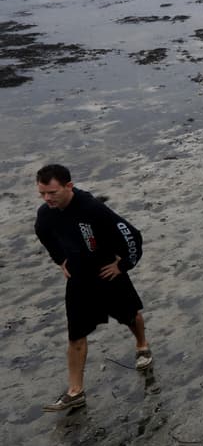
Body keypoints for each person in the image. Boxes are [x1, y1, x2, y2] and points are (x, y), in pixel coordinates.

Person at [35, 164, 151, 412]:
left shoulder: (93, 209)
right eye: (42, 194)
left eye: (52, 193)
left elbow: (131, 234)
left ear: (69, 186)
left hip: (106, 272)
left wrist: (125, 265)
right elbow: (42, 233)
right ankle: (75, 391)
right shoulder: (46, 214)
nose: (47, 199)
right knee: (75, 335)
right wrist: (60, 260)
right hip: (78, 278)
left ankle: (142, 345)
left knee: (130, 315)